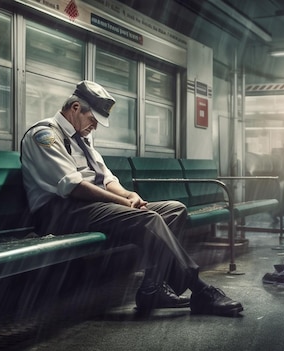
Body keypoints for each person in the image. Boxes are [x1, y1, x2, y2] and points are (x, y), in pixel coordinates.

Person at [20, 80, 243, 317]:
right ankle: (199, 290)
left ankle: (152, 289)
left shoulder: (82, 137)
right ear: (75, 108)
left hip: (91, 208)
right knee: (147, 219)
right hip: (59, 212)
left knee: (174, 210)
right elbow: (73, 187)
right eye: (92, 119)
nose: (94, 126)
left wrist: (128, 194)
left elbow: (105, 178)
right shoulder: (44, 134)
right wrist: (121, 203)